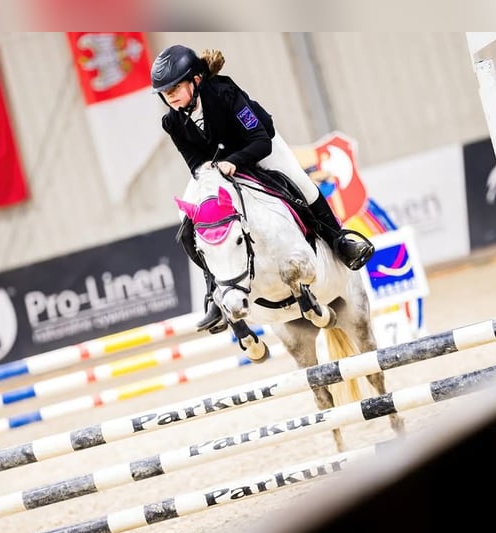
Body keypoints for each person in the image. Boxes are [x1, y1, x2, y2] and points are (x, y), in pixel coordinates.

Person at [151, 44, 375, 333]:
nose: (170, 97)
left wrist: (234, 161)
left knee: (301, 183)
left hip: (258, 146)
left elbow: (260, 140)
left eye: (175, 88)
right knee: (188, 220)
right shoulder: (171, 122)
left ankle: (340, 241)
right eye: (165, 93)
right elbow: (194, 161)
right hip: (217, 164)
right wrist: (208, 172)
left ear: (196, 80)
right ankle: (214, 294)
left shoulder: (224, 92)